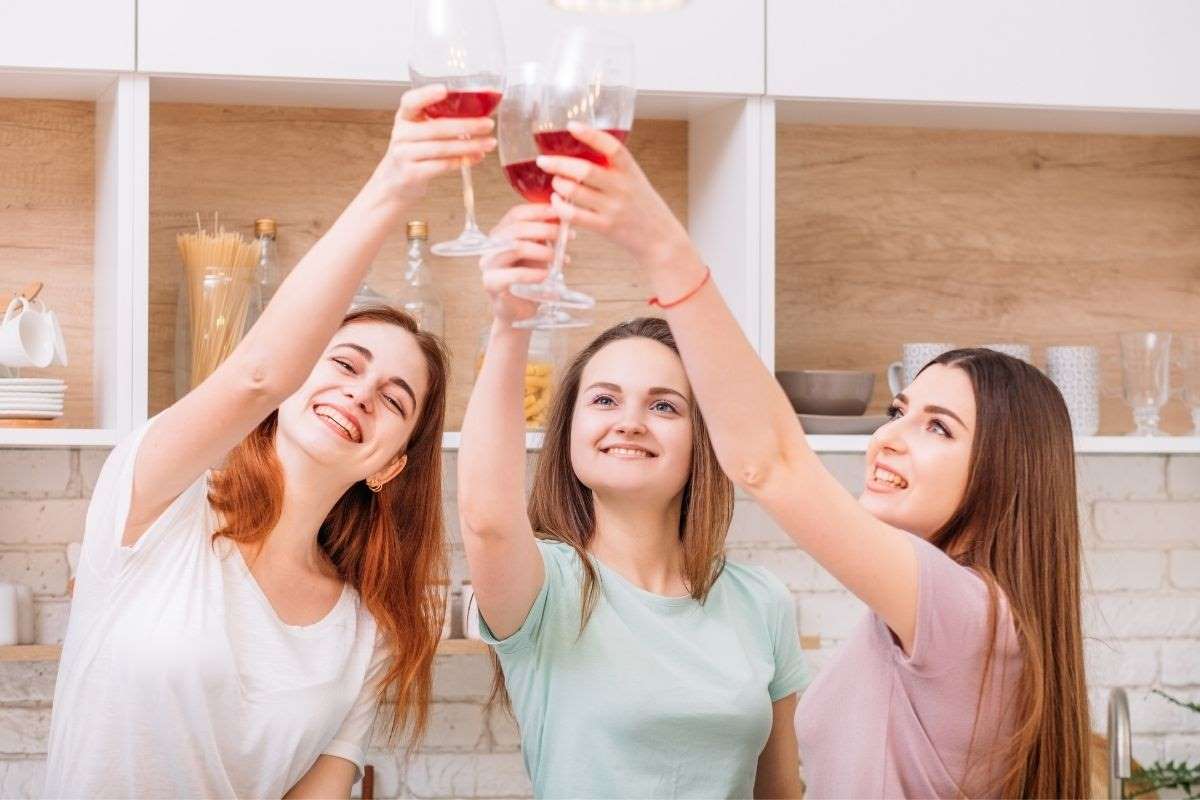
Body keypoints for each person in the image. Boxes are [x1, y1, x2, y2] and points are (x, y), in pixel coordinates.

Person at [530, 122, 1092, 798]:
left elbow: (772, 462)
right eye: (898, 412)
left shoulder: (965, 613)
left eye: (937, 428)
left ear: (1007, 472)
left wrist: (663, 247)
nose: (888, 438)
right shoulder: (929, 612)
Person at [43, 84, 494, 799]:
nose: (360, 393)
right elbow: (257, 373)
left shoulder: (365, 633)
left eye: (393, 398)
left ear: (390, 464)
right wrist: (395, 182)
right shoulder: (160, 502)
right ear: (296, 377)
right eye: (345, 364)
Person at [457, 204, 809, 799]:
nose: (630, 423)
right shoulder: (546, 587)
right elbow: (489, 521)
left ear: (703, 440)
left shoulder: (760, 601)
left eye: (664, 405)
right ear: (568, 430)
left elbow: (780, 791)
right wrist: (511, 325)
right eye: (604, 400)